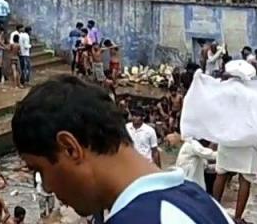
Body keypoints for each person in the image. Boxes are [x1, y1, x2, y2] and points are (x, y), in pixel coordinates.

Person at [12, 75, 231, 224]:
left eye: (39, 169)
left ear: (70, 148)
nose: (48, 187)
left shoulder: (140, 219)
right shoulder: (202, 202)